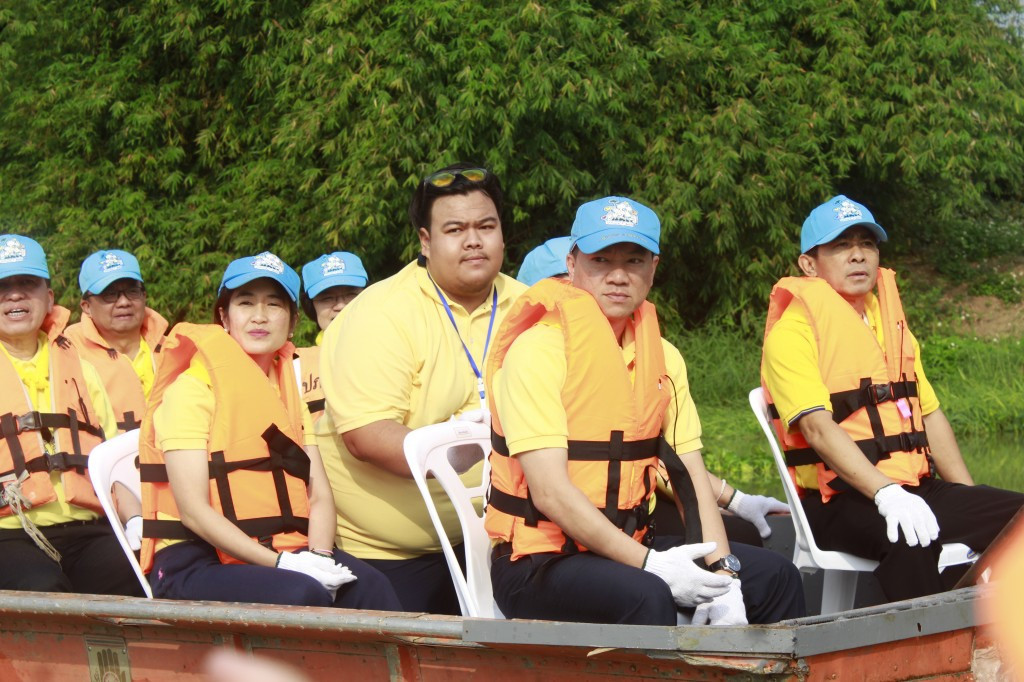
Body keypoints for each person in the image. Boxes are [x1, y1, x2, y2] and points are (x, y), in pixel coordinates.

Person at [486, 197, 804, 625]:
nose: (618, 276)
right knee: (648, 594)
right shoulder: (537, 352)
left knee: (774, 577)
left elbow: (688, 475)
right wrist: (652, 564)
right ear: (572, 263)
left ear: (653, 268)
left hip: (628, 544)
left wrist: (724, 575)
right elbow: (550, 494)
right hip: (538, 560)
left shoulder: (664, 358)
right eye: (601, 260)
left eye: (634, 260)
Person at [761, 195, 1024, 601]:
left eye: (867, 244)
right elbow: (817, 428)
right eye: (840, 246)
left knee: (1015, 520)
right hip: (838, 501)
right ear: (809, 264)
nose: (857, 256)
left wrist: (969, 496)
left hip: (915, 488)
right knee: (910, 540)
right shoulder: (792, 334)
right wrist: (885, 492)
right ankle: (927, 652)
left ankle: (989, 628)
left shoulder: (892, 329)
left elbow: (930, 417)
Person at [316, 163, 527, 614]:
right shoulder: (381, 313)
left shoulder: (529, 307)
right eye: (455, 229)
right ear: (425, 242)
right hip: (395, 554)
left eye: (486, 226)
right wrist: (462, 451)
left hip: (507, 537)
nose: (474, 240)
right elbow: (367, 436)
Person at [138, 252, 401, 610]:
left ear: (292, 322)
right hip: (195, 558)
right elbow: (194, 512)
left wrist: (320, 555)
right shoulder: (191, 391)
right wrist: (283, 564)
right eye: (246, 303)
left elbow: (319, 494)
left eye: (274, 305)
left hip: (281, 545)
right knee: (302, 595)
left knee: (373, 587)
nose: (259, 316)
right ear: (224, 317)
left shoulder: (286, 390)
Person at [518, 238, 788, 546]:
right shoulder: (535, 357)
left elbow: (653, 458)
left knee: (739, 537)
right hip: (553, 529)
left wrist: (735, 500)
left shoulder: (635, 357)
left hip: (626, 508)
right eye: (562, 287)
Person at [0, 234, 143, 596]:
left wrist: (136, 521)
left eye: (27, 284)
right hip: (9, 535)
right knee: (44, 587)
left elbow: (112, 460)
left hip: (89, 529)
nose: (14, 295)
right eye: (2, 286)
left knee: (134, 576)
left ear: (48, 298)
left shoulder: (81, 367)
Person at [66, 249, 168, 433]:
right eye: (110, 294)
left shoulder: (174, 349)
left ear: (144, 297)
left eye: (132, 292)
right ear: (86, 307)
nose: (123, 302)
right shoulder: (68, 357)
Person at [296, 252, 368, 419]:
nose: (341, 305)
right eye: (327, 298)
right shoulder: (296, 366)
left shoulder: (398, 350)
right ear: (311, 306)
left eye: (351, 295)